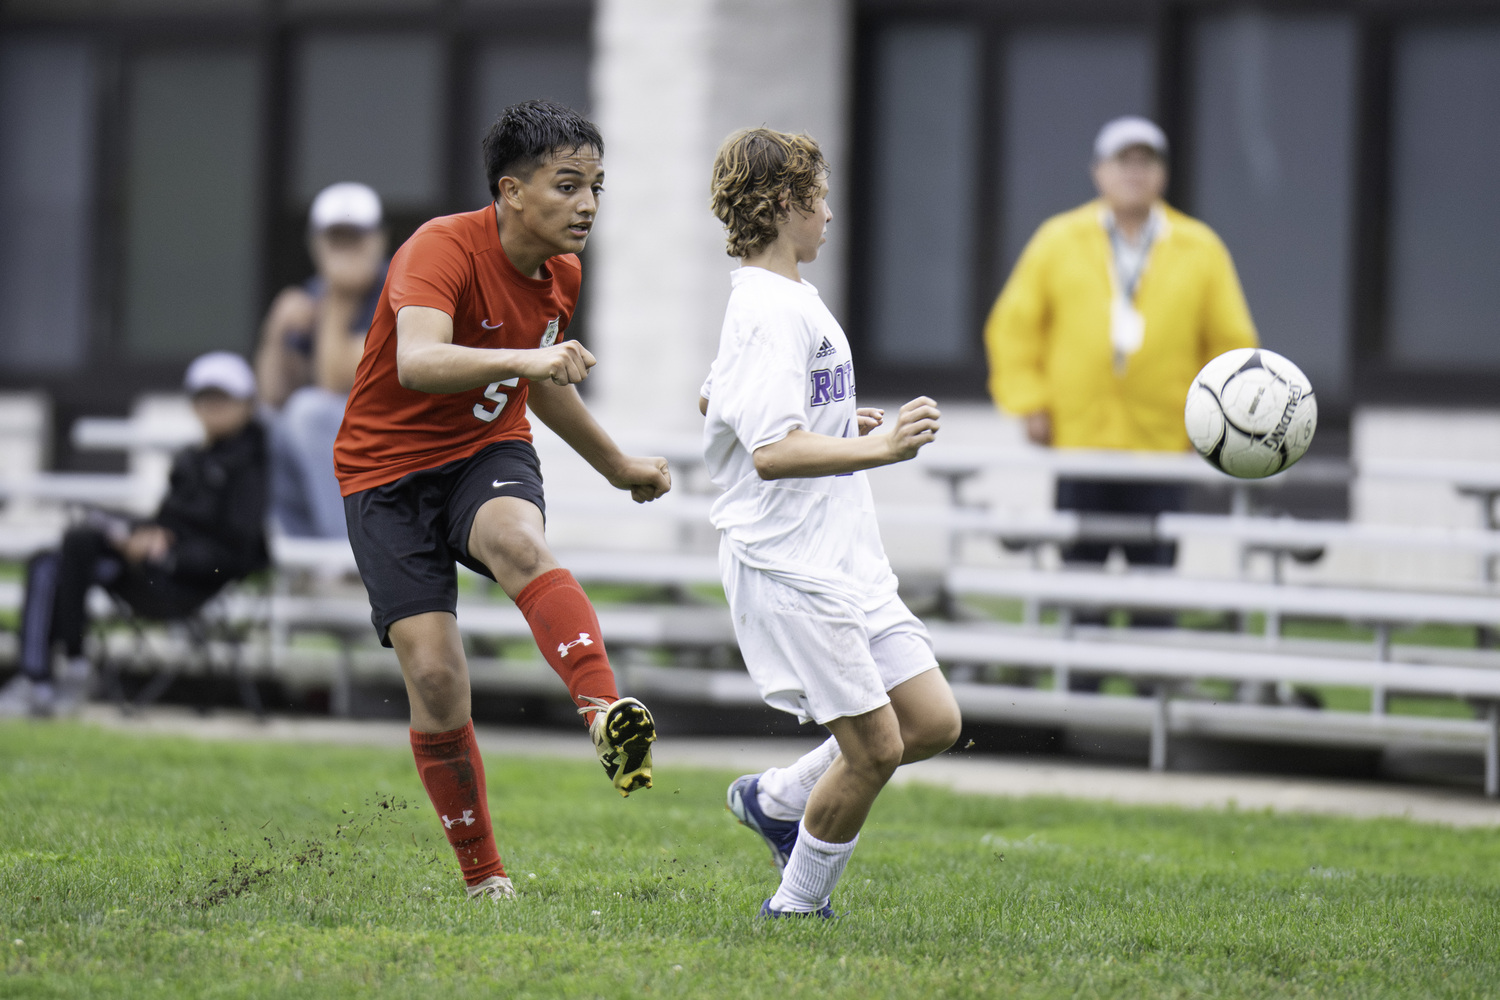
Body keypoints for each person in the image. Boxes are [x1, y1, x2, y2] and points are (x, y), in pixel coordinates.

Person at [332, 100, 671, 902]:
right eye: (567, 185)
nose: (587, 204)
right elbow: (417, 361)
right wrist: (528, 358)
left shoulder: (562, 273)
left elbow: (541, 388)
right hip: (383, 474)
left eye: (596, 187)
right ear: (511, 191)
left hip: (484, 451)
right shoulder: (439, 247)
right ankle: (485, 878)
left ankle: (602, 711)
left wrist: (617, 466)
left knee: (520, 542)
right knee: (437, 676)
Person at [700, 128, 962, 918]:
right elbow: (772, 453)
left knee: (931, 720)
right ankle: (795, 910)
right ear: (785, 204)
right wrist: (877, 446)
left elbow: (717, 401)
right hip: (791, 565)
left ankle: (777, 799)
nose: (831, 213)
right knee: (876, 747)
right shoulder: (767, 310)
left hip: (841, 555)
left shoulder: (787, 301)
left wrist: (838, 421)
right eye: (819, 197)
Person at [984, 116, 1258, 655]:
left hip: (1162, 444)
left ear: (1163, 174)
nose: (1134, 172)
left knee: (1153, 585)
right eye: (1123, 161)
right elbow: (1012, 328)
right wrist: (1030, 402)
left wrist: (1212, 422)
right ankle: (1079, 698)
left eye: (1146, 161)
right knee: (1081, 580)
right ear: (1098, 172)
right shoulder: (1058, 239)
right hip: (1080, 443)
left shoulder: (1200, 248)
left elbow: (1232, 344)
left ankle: (1146, 707)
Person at [0, 352, 269, 718]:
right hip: (152, 572)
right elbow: (170, 522)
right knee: (62, 551)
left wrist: (168, 554)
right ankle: (47, 676)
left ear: (248, 404)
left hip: (185, 584)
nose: (213, 407)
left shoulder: (252, 466)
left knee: (66, 556)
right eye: (206, 398)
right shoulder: (191, 459)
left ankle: (61, 670)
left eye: (224, 398)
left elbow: (237, 552)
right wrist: (139, 536)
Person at [256, 182, 389, 538]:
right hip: (358, 443)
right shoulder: (313, 292)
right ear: (316, 243)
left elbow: (335, 382)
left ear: (378, 240)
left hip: (407, 440)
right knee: (261, 425)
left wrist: (338, 299)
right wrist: (276, 332)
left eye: (355, 238)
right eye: (336, 240)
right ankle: (306, 557)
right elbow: (272, 395)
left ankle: (347, 554)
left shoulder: (399, 285)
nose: (345, 252)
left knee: (311, 411)